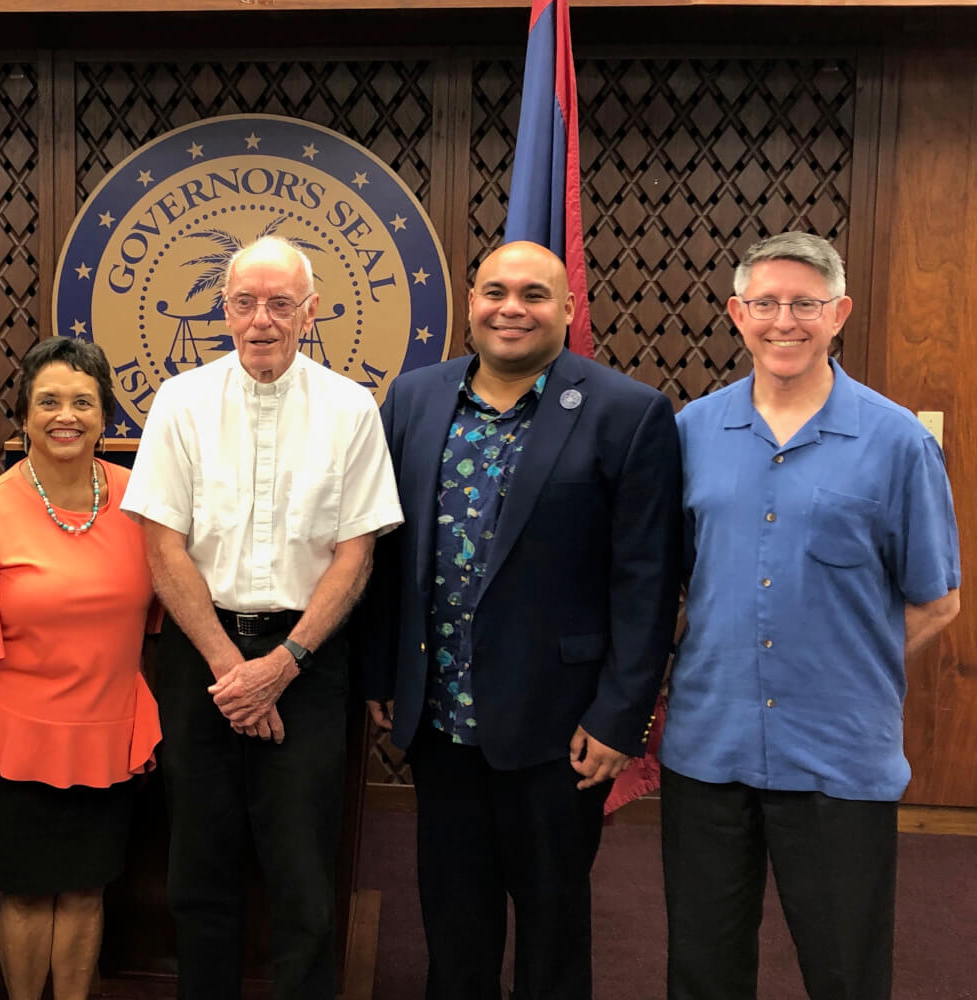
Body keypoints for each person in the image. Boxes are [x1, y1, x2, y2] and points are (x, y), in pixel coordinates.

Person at [354, 241, 682, 1000]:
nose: (512, 308)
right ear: (470, 303)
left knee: (552, 924)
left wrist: (620, 718)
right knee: (452, 918)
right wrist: (383, 672)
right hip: (440, 720)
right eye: (496, 291)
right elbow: (384, 547)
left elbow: (646, 582)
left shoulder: (628, 413)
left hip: (559, 726)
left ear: (567, 309)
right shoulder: (413, 398)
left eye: (535, 294)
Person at [661, 232, 961, 1000]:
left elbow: (938, 600)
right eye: (765, 303)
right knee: (703, 966)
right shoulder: (692, 431)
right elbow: (670, 583)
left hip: (839, 755)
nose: (783, 321)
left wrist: (852, 678)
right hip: (710, 745)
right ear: (737, 313)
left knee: (845, 970)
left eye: (806, 304)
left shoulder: (897, 442)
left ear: (840, 314)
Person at [121, 235, 403, 1000]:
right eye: (245, 303)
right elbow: (163, 547)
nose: (262, 320)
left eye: (281, 303)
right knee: (199, 866)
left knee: (304, 874)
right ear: (224, 310)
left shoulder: (350, 409)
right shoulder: (180, 401)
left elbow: (356, 556)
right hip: (201, 658)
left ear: (310, 313)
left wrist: (282, 666)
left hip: (306, 664)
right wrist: (229, 669)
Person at [0, 336, 160, 1000]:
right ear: (23, 416)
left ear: (106, 415)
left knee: (85, 891)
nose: (66, 416)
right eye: (48, 400)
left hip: (108, 738)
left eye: (83, 401)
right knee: (26, 898)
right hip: (11, 745)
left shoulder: (142, 503)